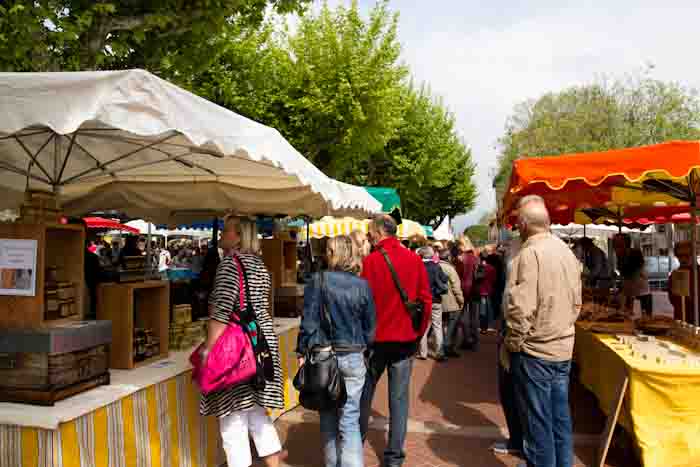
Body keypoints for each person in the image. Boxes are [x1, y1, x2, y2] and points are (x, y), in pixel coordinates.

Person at [501, 195, 582, 467]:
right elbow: (576, 302)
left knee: (538, 426)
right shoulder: (565, 251)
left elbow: (520, 309)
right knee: (560, 420)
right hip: (561, 347)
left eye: (518, 223)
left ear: (524, 223)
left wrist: (513, 343)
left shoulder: (530, 254)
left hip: (536, 351)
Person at [200, 216, 284, 467]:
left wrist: (209, 351)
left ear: (237, 235)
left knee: (232, 422)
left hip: (237, 351)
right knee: (258, 415)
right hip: (260, 346)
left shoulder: (229, 264)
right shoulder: (259, 264)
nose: (221, 235)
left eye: (226, 230)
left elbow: (221, 313)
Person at [297, 235, 376, 467]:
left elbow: (309, 322)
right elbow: (371, 328)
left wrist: (303, 351)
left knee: (328, 418)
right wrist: (363, 349)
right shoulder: (362, 285)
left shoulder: (318, 280)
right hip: (353, 355)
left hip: (324, 355)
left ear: (333, 254)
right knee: (350, 420)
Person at [360, 215, 432, 467]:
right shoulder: (414, 260)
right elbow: (426, 300)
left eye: (370, 232)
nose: (368, 236)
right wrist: (418, 333)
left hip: (375, 341)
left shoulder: (369, 262)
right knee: (399, 401)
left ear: (380, 232)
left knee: (363, 395)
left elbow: (363, 303)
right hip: (404, 341)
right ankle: (394, 457)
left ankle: (354, 445)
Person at [417, 246, 449, 361]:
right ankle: (439, 352)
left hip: (423, 300)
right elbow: (445, 279)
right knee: (437, 326)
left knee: (423, 327)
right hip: (436, 299)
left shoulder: (419, 266)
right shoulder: (436, 266)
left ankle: (423, 352)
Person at [614, 233, 651, 316]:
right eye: (615, 244)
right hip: (629, 292)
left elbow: (633, 274)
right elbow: (623, 275)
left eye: (618, 243)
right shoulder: (620, 256)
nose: (616, 246)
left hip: (641, 293)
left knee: (645, 320)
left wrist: (624, 292)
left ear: (626, 243)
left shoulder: (636, 253)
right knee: (628, 317)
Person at [438, 247, 464, 358]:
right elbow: (456, 287)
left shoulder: (436, 266)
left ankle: (444, 347)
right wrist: (461, 300)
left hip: (439, 301)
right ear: (448, 257)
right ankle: (448, 347)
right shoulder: (450, 269)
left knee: (443, 326)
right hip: (452, 302)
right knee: (453, 327)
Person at [668, 241, 697, 322]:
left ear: (693, 254)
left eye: (687, 255)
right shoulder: (674, 274)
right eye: (680, 256)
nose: (683, 259)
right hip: (681, 318)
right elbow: (672, 298)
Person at [461, 246, 482, 350]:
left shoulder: (462, 259)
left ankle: (466, 339)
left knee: (463, 316)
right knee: (474, 317)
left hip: (463, 290)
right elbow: (480, 276)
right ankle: (475, 342)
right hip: (474, 290)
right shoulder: (476, 259)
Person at [477, 249, 497, 333]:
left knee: (482, 310)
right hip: (489, 290)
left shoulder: (479, 267)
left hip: (481, 291)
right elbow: (494, 280)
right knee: (489, 309)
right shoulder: (492, 268)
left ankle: (483, 327)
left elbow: (476, 279)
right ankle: (489, 325)